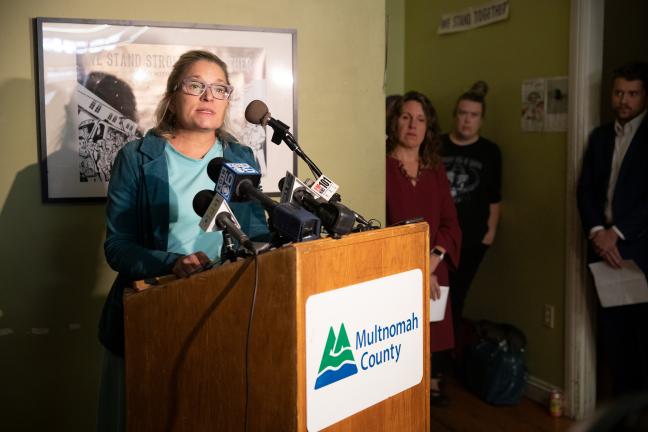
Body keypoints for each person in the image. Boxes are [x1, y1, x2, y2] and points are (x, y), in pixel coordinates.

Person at [96, 50, 269, 431]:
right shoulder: (137, 157)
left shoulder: (239, 156)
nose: (209, 97)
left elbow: (256, 234)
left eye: (219, 89)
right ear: (173, 96)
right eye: (196, 85)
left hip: (224, 312)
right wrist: (171, 262)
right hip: (154, 312)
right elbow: (118, 246)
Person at [386, 91, 462, 406]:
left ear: (428, 127)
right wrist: (417, 269)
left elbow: (450, 224)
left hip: (433, 265)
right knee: (397, 342)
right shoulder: (381, 167)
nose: (412, 125)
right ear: (394, 122)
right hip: (394, 268)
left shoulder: (435, 169)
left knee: (429, 340)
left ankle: (426, 392)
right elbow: (381, 228)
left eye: (420, 119)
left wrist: (429, 265)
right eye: (406, 117)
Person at [577, 61, 648, 396]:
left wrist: (616, 233)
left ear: (644, 95)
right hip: (602, 249)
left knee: (641, 336)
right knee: (615, 337)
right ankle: (621, 411)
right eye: (619, 92)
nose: (624, 100)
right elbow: (585, 189)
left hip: (638, 249)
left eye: (632, 93)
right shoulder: (601, 136)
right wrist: (596, 232)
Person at [440, 82, 502, 344]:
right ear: (455, 114)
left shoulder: (490, 152)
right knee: (437, 295)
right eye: (463, 113)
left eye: (473, 115)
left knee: (457, 296)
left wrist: (491, 232)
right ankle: (433, 359)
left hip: (473, 238)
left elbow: (495, 195)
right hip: (440, 238)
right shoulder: (438, 146)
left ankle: (446, 361)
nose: (467, 120)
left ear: (481, 120)